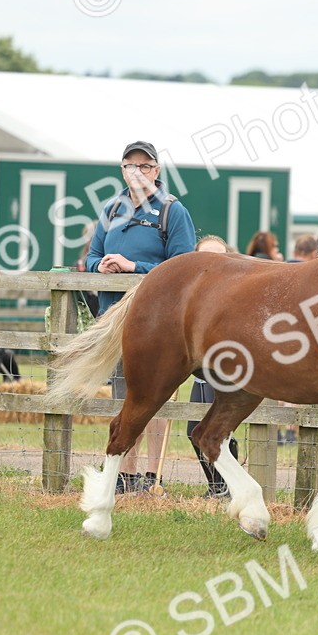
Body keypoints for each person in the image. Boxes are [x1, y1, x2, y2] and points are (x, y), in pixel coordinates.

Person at [86, 140, 197, 493]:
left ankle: (152, 476)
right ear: (122, 170)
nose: (138, 173)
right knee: (122, 394)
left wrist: (135, 268)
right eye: (130, 166)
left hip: (157, 322)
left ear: (157, 171)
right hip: (114, 316)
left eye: (145, 166)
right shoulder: (111, 208)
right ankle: (124, 473)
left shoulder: (172, 211)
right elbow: (90, 256)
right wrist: (100, 265)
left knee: (155, 395)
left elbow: (184, 268)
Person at [187, 235, 239, 497]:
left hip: (226, 370)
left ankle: (227, 486)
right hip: (200, 372)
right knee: (192, 430)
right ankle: (216, 485)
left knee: (222, 429)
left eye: (219, 257)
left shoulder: (234, 290)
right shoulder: (191, 294)